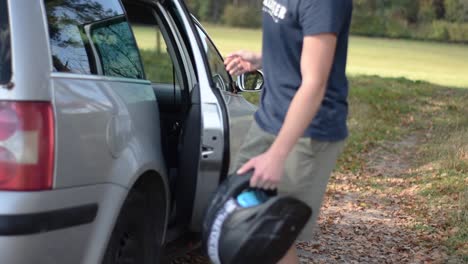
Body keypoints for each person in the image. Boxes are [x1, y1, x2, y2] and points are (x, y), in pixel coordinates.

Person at [224, 1, 353, 263]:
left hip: (305, 133)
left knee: (271, 238)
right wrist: (262, 58)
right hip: (268, 120)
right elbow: (295, 36)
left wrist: (276, 156)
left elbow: (314, 83)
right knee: (238, 218)